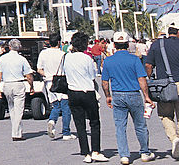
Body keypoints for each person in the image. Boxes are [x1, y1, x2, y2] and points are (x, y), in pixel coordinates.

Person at [101, 31, 155, 164]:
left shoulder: (108, 60)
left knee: (120, 126)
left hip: (118, 95)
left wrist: (108, 96)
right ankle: (144, 152)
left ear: (114, 44)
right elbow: (141, 79)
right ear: (127, 44)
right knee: (140, 125)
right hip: (134, 94)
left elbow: (105, 82)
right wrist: (146, 96)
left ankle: (124, 155)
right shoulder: (134, 59)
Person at [65, 32, 109, 162]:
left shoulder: (66, 57)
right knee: (94, 122)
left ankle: (86, 153)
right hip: (87, 91)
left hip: (73, 92)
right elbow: (92, 76)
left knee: (79, 123)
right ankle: (96, 150)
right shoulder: (87, 59)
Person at [144, 25, 179, 161]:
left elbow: (148, 65)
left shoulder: (157, 44)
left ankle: (174, 138)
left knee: (165, 114)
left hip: (164, 86)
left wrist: (151, 78)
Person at [0, 38, 35, 142]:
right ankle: (16, 133)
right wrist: (31, 86)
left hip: (7, 84)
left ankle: (16, 130)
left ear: (9, 47)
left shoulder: (3, 58)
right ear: (19, 47)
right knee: (19, 109)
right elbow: (29, 75)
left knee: (12, 108)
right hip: (18, 83)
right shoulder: (21, 59)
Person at [38, 33, 74, 141]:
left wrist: (48, 76)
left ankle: (52, 121)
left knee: (56, 106)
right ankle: (66, 132)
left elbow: (39, 69)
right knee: (66, 107)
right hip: (62, 82)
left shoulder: (43, 54)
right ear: (59, 42)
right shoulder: (63, 54)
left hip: (49, 82)